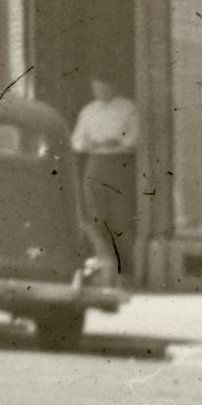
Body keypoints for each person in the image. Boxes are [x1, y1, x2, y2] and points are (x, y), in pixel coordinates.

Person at [70, 75, 141, 278]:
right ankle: (104, 266)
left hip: (119, 164)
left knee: (121, 216)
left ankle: (127, 268)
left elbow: (135, 138)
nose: (100, 92)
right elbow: (76, 139)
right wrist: (87, 145)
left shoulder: (127, 108)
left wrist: (118, 143)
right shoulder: (89, 110)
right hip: (95, 164)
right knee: (96, 215)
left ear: (113, 86)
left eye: (104, 88)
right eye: (96, 88)